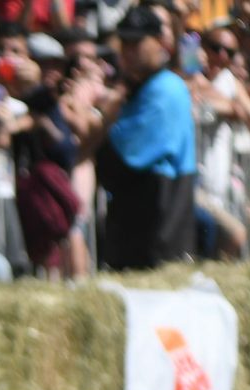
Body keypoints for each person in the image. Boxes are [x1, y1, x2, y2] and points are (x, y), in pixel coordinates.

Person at [82, 6, 196, 267]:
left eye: (137, 42)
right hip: (139, 226)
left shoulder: (164, 89)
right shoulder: (140, 88)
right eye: (124, 43)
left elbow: (122, 155)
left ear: (161, 42)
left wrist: (99, 120)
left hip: (159, 230)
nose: (129, 51)